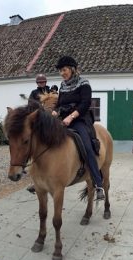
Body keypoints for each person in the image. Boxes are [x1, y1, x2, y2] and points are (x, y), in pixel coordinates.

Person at [53, 55, 106, 201]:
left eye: (64, 70)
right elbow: (59, 103)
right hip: (63, 119)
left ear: (72, 69)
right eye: (60, 71)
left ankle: (98, 183)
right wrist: (54, 112)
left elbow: (85, 103)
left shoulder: (84, 83)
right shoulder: (63, 85)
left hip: (79, 119)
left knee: (87, 146)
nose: (62, 73)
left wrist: (71, 117)